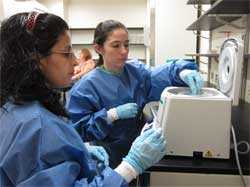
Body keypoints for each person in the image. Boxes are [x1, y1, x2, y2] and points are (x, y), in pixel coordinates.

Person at [0, 12, 166, 186]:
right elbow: (74, 130)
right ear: (35, 59)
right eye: (66, 53)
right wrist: (129, 167)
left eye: (127, 45)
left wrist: (78, 150)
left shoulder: (15, 107)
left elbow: (45, 158)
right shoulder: (36, 124)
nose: (74, 62)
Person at [66, 19, 204, 168]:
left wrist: (181, 71)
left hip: (141, 152)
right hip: (106, 158)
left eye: (126, 45)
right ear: (99, 48)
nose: (124, 51)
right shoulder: (85, 87)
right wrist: (110, 116)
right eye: (116, 45)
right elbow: (77, 131)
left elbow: (159, 75)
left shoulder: (136, 72)